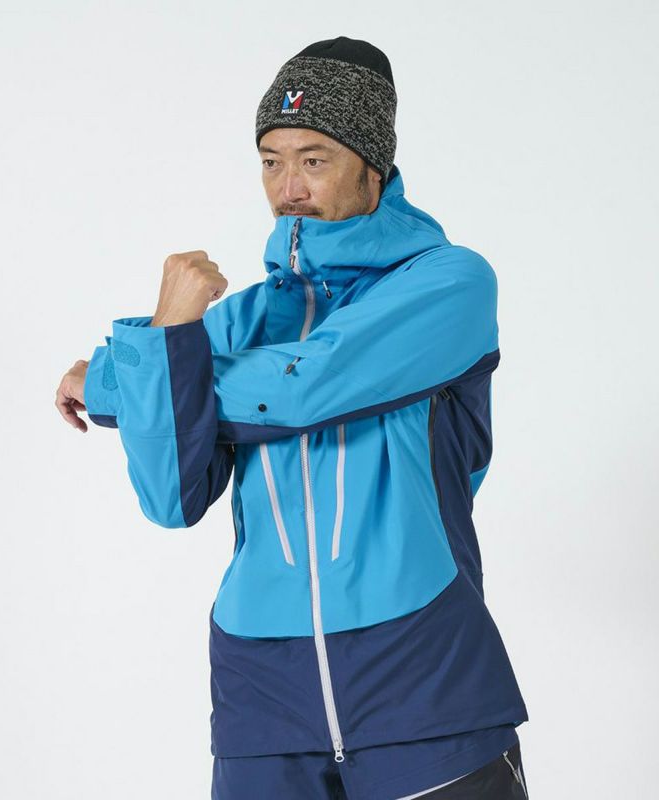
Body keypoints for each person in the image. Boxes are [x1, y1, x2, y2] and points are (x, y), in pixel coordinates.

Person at [56, 35, 530, 800]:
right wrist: (170, 335)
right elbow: (171, 498)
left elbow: (309, 385)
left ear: (372, 165)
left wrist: (132, 374)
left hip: (423, 680)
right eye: (271, 161)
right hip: (261, 700)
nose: (288, 187)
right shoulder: (242, 319)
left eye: (314, 159)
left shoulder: (448, 285)